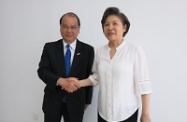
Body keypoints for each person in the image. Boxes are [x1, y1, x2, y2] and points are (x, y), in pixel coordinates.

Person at [66, 7, 152, 122]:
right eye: (106, 25)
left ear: (124, 27)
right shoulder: (100, 52)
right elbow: (96, 77)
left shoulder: (135, 51)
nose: (110, 28)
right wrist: (78, 83)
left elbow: (144, 85)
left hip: (127, 112)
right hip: (104, 113)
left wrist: (145, 114)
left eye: (114, 24)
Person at [37, 12, 94, 122]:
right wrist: (59, 81)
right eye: (65, 26)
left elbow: (89, 75)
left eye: (73, 27)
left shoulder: (87, 50)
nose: (69, 31)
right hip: (52, 101)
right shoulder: (50, 47)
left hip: (76, 101)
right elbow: (42, 71)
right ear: (60, 28)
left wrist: (87, 100)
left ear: (78, 29)